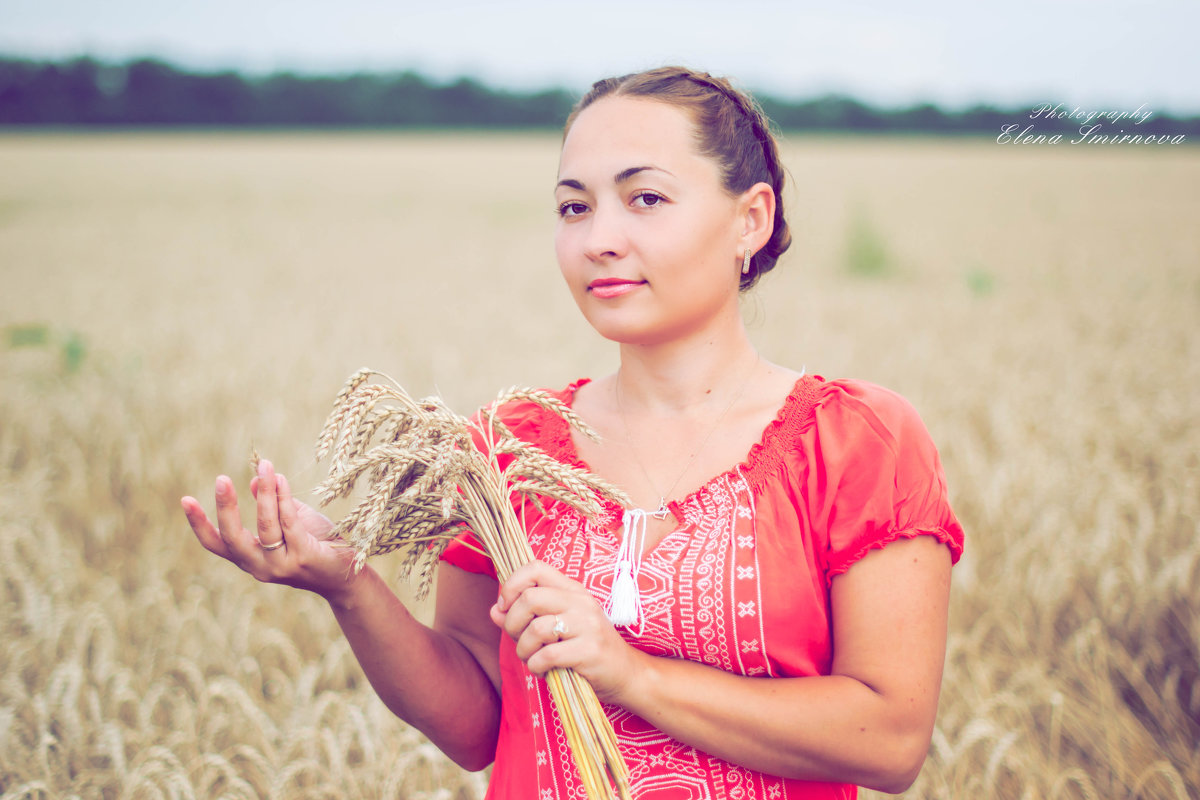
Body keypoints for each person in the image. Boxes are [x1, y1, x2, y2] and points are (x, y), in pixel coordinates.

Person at [181, 66, 964, 800]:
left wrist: (631, 674)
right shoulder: (511, 449)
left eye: (646, 199)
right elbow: (478, 722)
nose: (599, 239)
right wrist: (348, 584)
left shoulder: (856, 441)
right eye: (573, 207)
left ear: (749, 219)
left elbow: (890, 737)